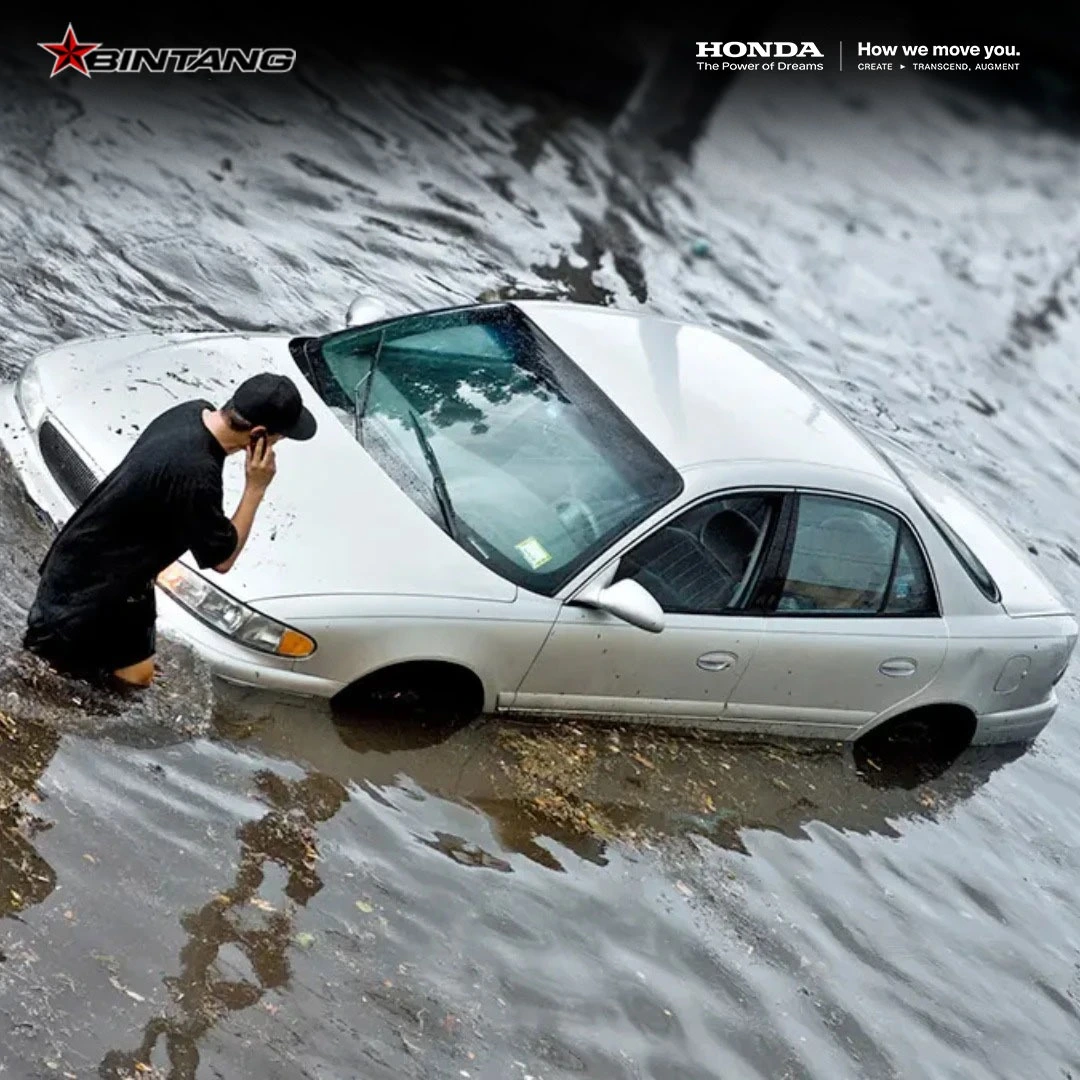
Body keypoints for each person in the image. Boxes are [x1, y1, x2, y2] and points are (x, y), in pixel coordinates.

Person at [23, 373, 317, 689]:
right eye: (277, 439)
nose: (275, 447)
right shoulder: (197, 473)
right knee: (45, 680)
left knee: (138, 679)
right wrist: (255, 488)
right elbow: (223, 559)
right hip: (85, 593)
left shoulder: (191, 411)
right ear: (258, 435)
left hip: (117, 576)